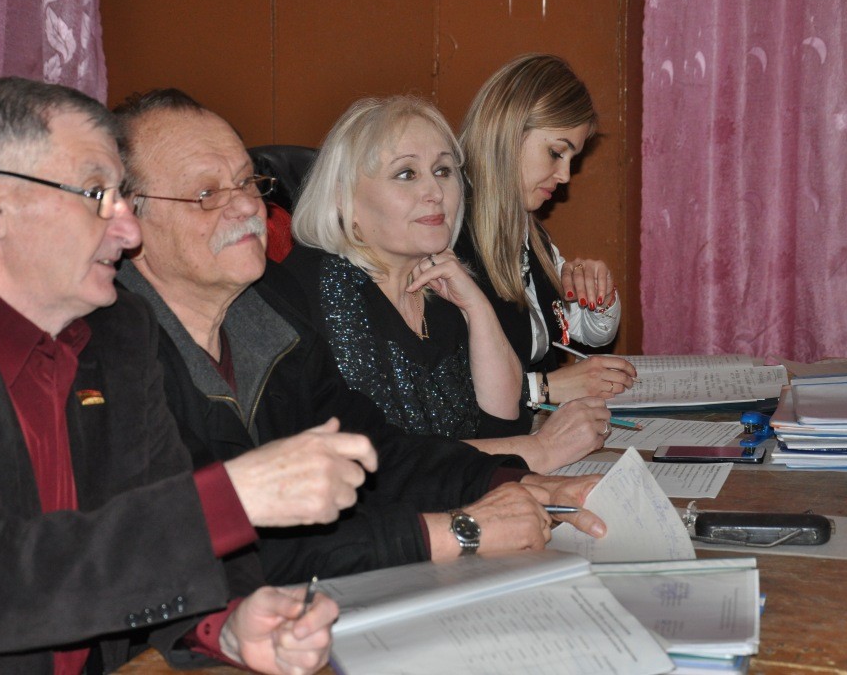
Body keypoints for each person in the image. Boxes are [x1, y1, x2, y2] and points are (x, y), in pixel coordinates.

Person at [0, 77, 352, 674]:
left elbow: (165, 497)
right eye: (97, 194)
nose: (129, 231)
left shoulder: (117, 329)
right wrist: (236, 496)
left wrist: (225, 623)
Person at [112, 88, 607, 583]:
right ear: (128, 220)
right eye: (206, 194)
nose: (245, 206)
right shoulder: (113, 356)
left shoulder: (267, 308)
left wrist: (521, 482)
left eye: (247, 182)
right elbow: (227, 549)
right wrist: (458, 531)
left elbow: (375, 451)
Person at [287, 95, 612, 473]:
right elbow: (379, 464)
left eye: (443, 171)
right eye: (406, 174)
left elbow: (503, 423)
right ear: (344, 200)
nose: (436, 193)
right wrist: (541, 449)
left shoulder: (433, 281)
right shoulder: (327, 285)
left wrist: (478, 309)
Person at [458, 53, 638, 407]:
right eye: (557, 152)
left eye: (572, 159)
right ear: (508, 131)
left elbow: (587, 332)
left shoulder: (529, 233)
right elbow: (447, 392)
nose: (566, 176)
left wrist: (597, 296)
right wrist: (544, 387)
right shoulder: (444, 235)